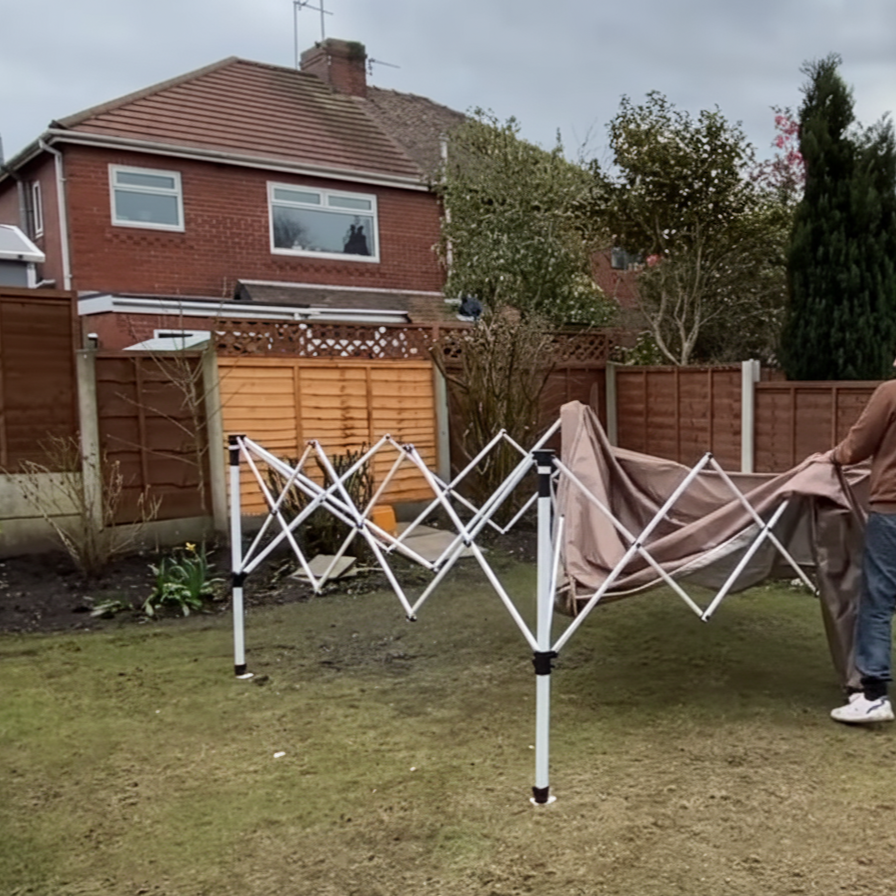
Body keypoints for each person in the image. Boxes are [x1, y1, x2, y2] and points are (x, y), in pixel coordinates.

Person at [823, 366, 896, 724]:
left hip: (892, 510)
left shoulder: (891, 392)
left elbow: (856, 447)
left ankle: (873, 696)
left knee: (878, 599)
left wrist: (830, 457)